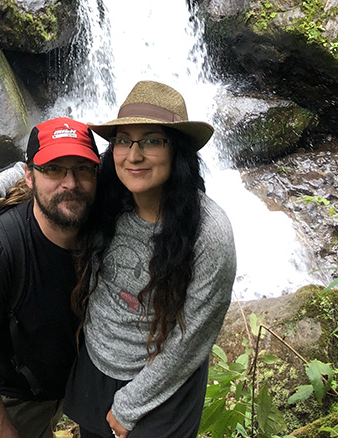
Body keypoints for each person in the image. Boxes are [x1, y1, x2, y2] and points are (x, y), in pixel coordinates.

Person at [64, 80, 237, 438]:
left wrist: (131, 405)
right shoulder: (106, 197)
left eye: (152, 141)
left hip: (164, 383)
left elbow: (194, 336)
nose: (134, 155)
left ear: (179, 151)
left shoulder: (209, 232)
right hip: (97, 364)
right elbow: (43, 174)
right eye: (124, 140)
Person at [0, 117, 101, 438]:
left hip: (70, 381)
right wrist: (3, 431)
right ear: (29, 177)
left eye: (82, 169)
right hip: (12, 399)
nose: (70, 183)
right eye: (54, 169)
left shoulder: (95, 214)